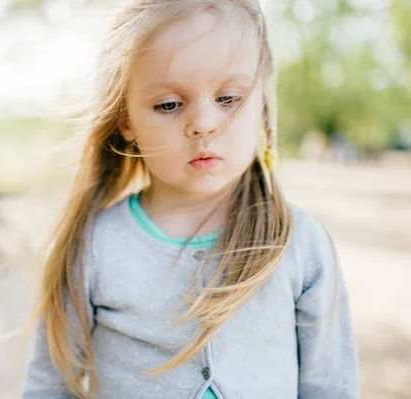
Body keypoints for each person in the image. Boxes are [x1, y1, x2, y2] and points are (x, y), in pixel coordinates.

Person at [22, 0, 359, 398]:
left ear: (262, 106)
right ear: (125, 120)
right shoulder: (96, 246)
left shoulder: (298, 243)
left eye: (229, 98)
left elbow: (330, 385)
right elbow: (49, 384)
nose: (203, 124)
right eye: (168, 104)